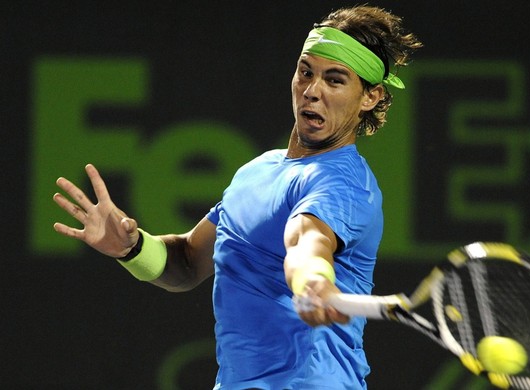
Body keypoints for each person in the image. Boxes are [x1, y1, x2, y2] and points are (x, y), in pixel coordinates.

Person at [53, 5, 422, 389]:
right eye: (305, 71)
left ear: (370, 96)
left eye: (335, 80)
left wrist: (312, 278)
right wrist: (132, 248)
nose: (312, 91)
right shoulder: (257, 171)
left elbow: (307, 241)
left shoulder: (344, 183)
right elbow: (187, 263)